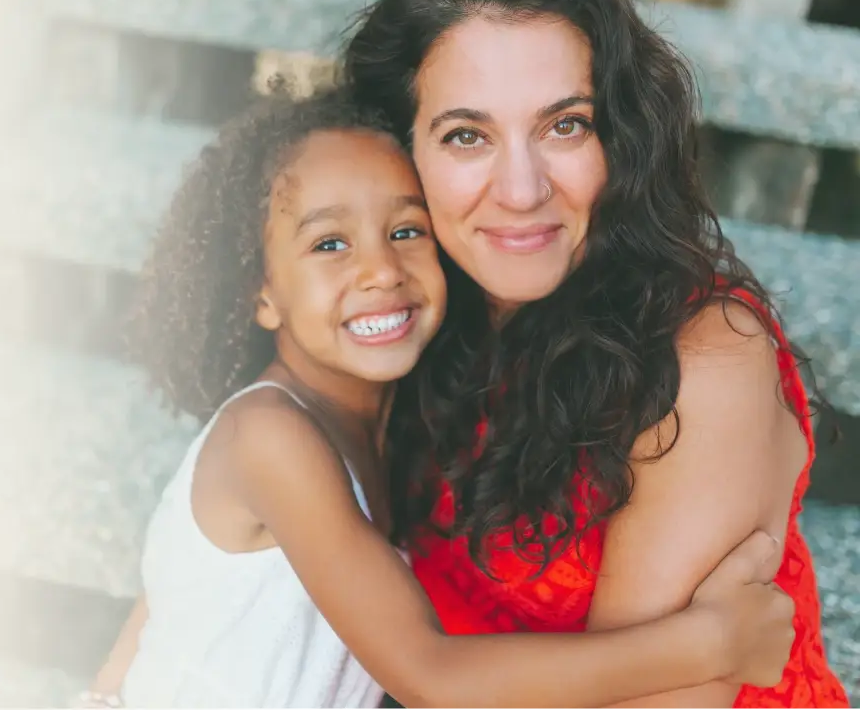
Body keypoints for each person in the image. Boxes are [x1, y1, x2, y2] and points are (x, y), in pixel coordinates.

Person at [78, 86, 795, 710]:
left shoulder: (392, 416)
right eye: (329, 244)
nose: (381, 270)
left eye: (405, 231)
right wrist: (710, 643)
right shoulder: (270, 435)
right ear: (260, 293)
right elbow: (428, 674)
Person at [341, 0, 848, 709]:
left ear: (623, 136)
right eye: (467, 135)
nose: (521, 190)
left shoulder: (704, 362)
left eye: (565, 125)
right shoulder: (411, 307)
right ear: (398, 150)